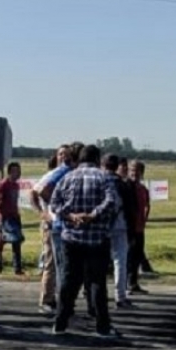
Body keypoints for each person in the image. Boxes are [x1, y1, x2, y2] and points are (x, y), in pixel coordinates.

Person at [50, 144, 121, 339]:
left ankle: (60, 323)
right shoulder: (103, 177)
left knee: (68, 281)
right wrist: (93, 215)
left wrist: (71, 216)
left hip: (71, 238)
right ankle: (102, 326)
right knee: (97, 282)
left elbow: (54, 203)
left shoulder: (68, 177)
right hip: (97, 238)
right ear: (97, 159)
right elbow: (112, 202)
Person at [30, 145, 73, 315]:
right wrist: (43, 213)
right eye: (61, 154)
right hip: (51, 224)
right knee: (50, 262)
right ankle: (46, 299)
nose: (64, 157)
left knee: (63, 263)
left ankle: (60, 298)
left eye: (67, 155)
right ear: (56, 157)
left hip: (64, 224)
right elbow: (35, 192)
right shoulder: (52, 175)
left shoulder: (69, 173)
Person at [105, 154, 137, 309]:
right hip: (120, 226)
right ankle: (120, 295)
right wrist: (132, 232)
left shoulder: (99, 180)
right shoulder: (123, 185)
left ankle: (96, 294)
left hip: (101, 227)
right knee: (120, 262)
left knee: (100, 262)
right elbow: (131, 210)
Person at [0, 162, 24, 275]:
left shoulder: (16, 185)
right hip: (6, 218)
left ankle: (17, 268)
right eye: (16, 171)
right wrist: (0, 212)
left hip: (15, 216)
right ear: (10, 172)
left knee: (17, 241)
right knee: (7, 240)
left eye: (19, 171)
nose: (19, 173)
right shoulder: (4, 184)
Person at [127, 160, 150, 295]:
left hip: (140, 228)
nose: (134, 173)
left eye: (137, 170)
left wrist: (144, 219)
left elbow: (147, 205)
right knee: (128, 257)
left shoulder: (143, 189)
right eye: (132, 170)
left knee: (137, 257)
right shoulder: (126, 188)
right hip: (129, 229)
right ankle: (126, 283)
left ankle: (134, 282)